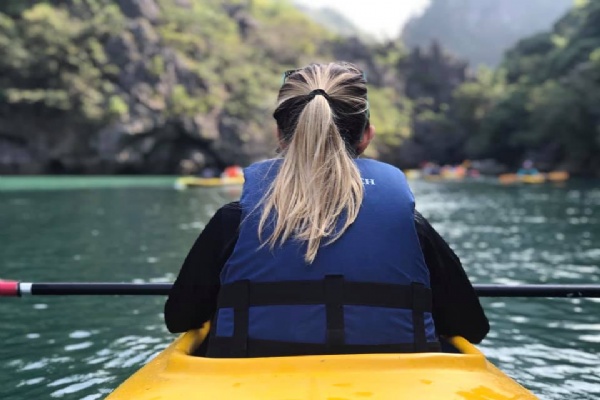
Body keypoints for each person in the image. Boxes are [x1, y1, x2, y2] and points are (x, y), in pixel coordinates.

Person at [165, 62, 489, 358]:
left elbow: (180, 317)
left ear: (280, 135)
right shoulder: (410, 225)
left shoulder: (234, 221)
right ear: (366, 137)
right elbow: (472, 327)